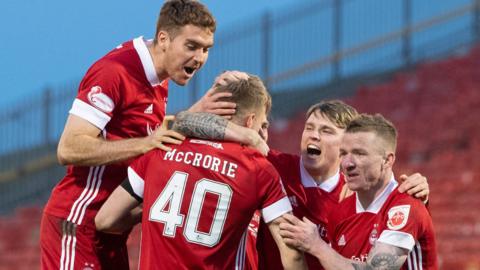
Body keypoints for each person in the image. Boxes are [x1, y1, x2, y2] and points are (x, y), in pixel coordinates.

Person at [39, 1, 267, 269]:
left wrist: (195, 112)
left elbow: (156, 133)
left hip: (110, 229)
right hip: (77, 223)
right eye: (191, 46)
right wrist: (147, 144)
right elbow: (69, 148)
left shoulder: (159, 75)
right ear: (164, 39)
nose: (200, 58)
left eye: (206, 49)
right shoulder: (115, 71)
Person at [173, 100, 430, 270]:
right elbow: (182, 123)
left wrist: (418, 192)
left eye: (327, 131)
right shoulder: (273, 166)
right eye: (309, 127)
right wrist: (247, 135)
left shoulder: (356, 194)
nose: (314, 135)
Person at [95, 75, 307, 270]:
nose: (264, 135)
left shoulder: (162, 149)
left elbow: (105, 220)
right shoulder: (258, 169)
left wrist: (160, 207)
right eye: (263, 125)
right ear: (250, 121)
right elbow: (292, 254)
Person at [279, 113, 438, 270]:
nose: (347, 164)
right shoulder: (339, 212)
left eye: (360, 154)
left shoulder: (407, 206)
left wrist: (317, 246)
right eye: (343, 154)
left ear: (387, 160)